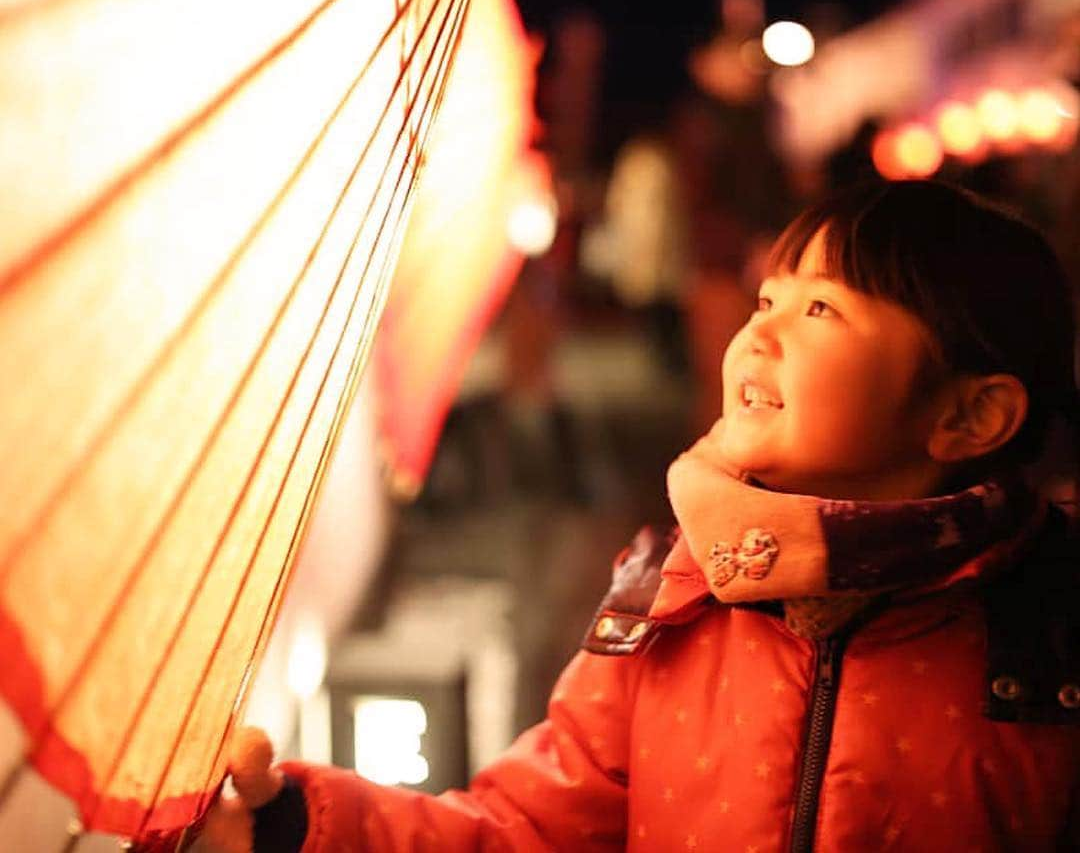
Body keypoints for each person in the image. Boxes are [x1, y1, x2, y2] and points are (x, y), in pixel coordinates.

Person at [182, 180, 1080, 852]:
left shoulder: (1046, 623)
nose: (759, 333)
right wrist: (294, 824)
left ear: (969, 417)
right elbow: (523, 831)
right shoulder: (670, 600)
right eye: (766, 299)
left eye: (820, 310)